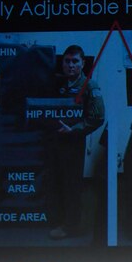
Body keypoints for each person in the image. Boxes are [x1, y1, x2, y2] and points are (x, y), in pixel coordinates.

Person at [48, 44, 105, 240]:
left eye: (75, 61)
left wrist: (75, 130)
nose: (70, 65)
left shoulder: (89, 85)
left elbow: (97, 117)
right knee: (56, 182)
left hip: (72, 143)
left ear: (82, 64)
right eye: (67, 61)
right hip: (55, 141)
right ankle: (61, 219)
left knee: (72, 186)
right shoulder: (58, 83)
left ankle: (71, 227)